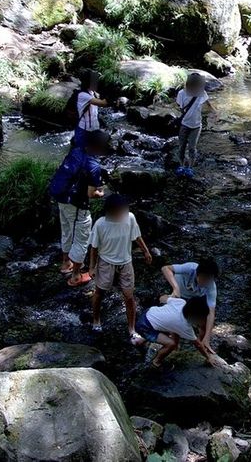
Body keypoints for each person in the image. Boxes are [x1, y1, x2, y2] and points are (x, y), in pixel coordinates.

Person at [49, 130, 110, 287]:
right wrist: (102, 191)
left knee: (67, 230)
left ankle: (66, 263)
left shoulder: (76, 151)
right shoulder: (93, 165)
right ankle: (76, 275)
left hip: (61, 197)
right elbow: (92, 193)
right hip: (76, 205)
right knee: (82, 237)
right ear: (99, 147)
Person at [88, 194, 153, 334]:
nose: (121, 213)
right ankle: (96, 320)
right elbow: (94, 247)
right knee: (99, 292)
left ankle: (132, 329)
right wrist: (92, 267)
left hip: (126, 262)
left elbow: (136, 236)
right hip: (106, 261)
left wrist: (146, 251)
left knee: (129, 296)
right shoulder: (100, 224)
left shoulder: (130, 218)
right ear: (110, 211)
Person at [131, 295, 216, 367]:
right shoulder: (185, 327)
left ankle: (141, 341)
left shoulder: (181, 302)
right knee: (171, 344)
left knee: (172, 326)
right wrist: (208, 357)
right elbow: (198, 344)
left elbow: (163, 298)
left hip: (148, 313)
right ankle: (156, 362)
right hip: (145, 327)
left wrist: (161, 299)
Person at [161, 259, 219, 345]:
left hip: (194, 298)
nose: (205, 283)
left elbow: (211, 313)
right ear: (197, 274)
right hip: (178, 292)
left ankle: (201, 343)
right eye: (203, 279)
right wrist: (175, 288)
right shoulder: (191, 268)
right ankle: (174, 343)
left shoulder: (211, 287)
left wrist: (208, 337)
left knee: (204, 322)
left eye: (208, 280)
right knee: (176, 319)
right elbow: (165, 268)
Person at [176, 72, 213, 178]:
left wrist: (214, 113)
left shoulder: (202, 93)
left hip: (196, 126)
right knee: (181, 147)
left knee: (192, 148)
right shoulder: (181, 93)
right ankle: (181, 166)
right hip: (184, 124)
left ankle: (190, 168)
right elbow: (179, 106)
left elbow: (208, 103)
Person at [72, 69, 110, 148]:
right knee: (80, 154)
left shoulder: (93, 93)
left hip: (93, 129)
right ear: (88, 83)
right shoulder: (83, 95)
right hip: (84, 131)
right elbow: (103, 103)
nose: (96, 83)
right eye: (95, 81)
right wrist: (111, 92)